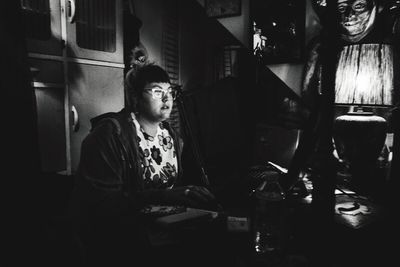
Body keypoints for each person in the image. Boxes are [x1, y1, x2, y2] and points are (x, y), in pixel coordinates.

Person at [68, 63, 221, 266]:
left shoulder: (172, 137)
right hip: (120, 242)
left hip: (163, 233)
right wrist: (164, 196)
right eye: (157, 92)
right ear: (136, 98)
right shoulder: (110, 135)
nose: (167, 99)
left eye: (170, 92)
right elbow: (103, 206)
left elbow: (176, 189)